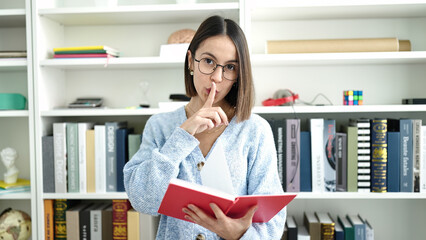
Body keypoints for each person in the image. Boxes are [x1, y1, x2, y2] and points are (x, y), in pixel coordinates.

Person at [124, 15, 286, 239]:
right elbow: (143, 201)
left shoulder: (255, 130)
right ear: (190, 60)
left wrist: (238, 235)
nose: (217, 78)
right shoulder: (160, 126)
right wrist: (182, 135)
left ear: (239, 74)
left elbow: (272, 224)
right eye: (208, 61)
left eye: (230, 67)